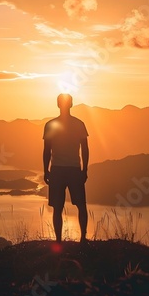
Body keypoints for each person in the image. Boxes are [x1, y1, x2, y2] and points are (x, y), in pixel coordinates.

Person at [43, 94, 89, 243]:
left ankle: (58, 241)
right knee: (81, 205)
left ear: (58, 104)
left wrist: (46, 170)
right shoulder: (79, 124)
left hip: (57, 170)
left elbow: (47, 150)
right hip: (74, 169)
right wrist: (84, 170)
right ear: (71, 104)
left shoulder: (51, 124)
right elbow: (85, 149)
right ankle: (83, 239)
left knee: (58, 207)